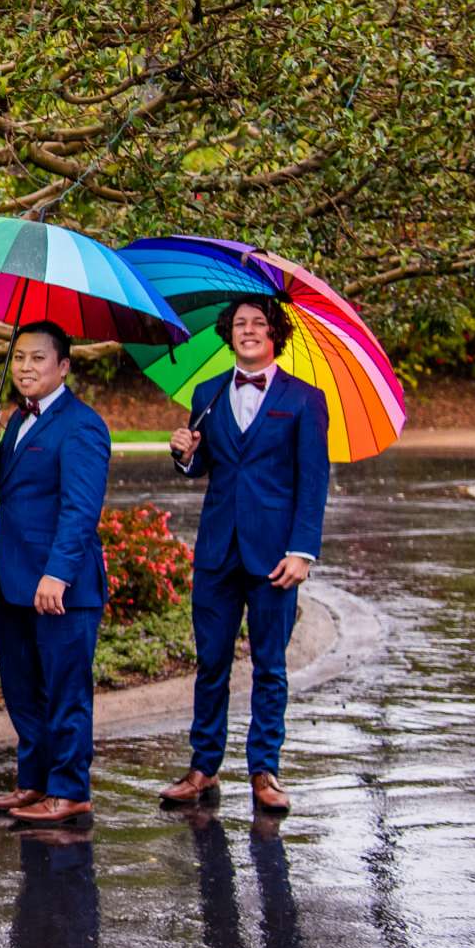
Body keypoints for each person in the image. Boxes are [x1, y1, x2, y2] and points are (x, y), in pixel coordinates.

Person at [163, 295, 330, 816]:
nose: (249, 330)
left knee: (269, 666)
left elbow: (313, 482)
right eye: (240, 324)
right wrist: (183, 455)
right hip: (216, 551)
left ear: (274, 333)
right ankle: (202, 766)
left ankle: (264, 769)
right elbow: (202, 466)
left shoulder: (304, 399)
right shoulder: (207, 393)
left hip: (276, 557)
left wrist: (302, 552)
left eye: (259, 323)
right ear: (228, 333)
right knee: (210, 662)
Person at [0, 322, 111, 828]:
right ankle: (32, 781)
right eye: (19, 359)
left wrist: (57, 574)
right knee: (22, 689)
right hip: (15, 581)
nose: (26, 368)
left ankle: (70, 789)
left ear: (64, 367)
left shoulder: (82, 426)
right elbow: (6, 490)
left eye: (38, 359)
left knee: (64, 691)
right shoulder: (17, 419)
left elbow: (81, 508)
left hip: (61, 588)